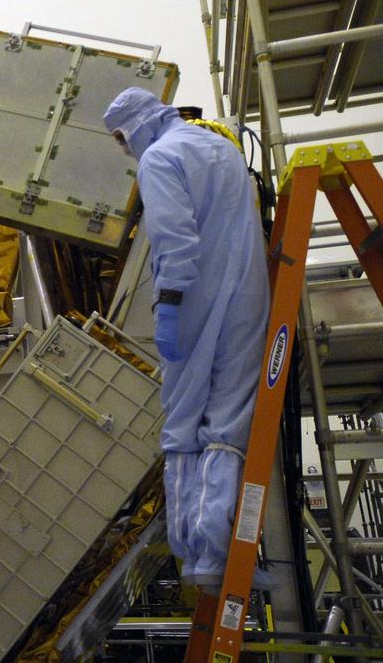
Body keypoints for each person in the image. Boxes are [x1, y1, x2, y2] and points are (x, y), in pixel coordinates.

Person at [103, 87, 270, 593]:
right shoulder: (221, 147)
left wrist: (169, 305)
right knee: (227, 420)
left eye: (120, 138)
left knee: (183, 421)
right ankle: (221, 552)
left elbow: (175, 237)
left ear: (135, 124)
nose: (124, 148)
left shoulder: (160, 158)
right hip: (247, 294)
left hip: (192, 299)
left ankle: (195, 553)